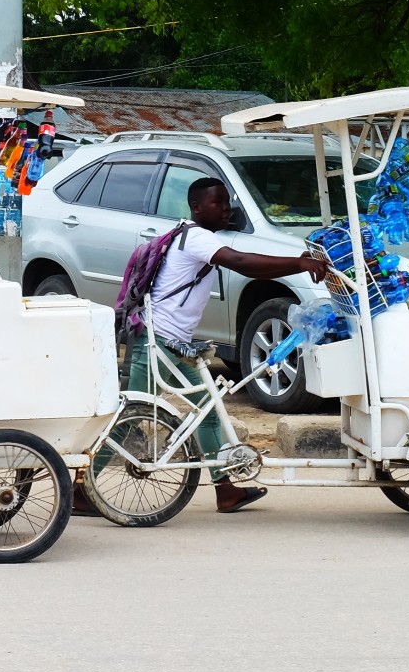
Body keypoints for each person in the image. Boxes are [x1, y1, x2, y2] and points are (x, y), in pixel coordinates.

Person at [127, 177, 333, 513]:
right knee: (129, 416)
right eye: (218, 202)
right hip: (159, 341)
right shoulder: (196, 238)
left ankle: (225, 490)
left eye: (227, 202)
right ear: (197, 207)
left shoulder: (189, 234)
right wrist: (298, 263)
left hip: (172, 343)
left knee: (207, 412)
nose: (227, 209)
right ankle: (81, 488)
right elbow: (240, 262)